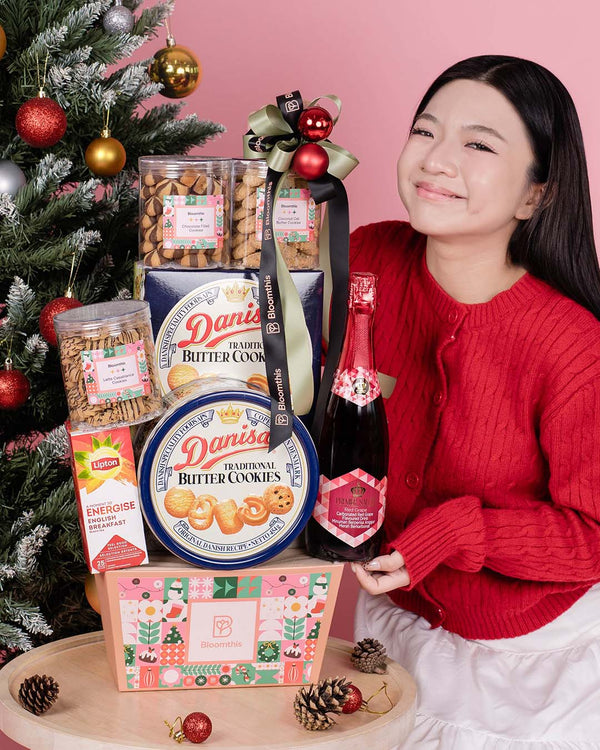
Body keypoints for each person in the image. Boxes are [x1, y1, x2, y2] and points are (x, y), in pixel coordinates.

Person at [349, 55, 600, 749]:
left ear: (535, 196)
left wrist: (458, 534)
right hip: (391, 632)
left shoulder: (573, 346)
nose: (436, 160)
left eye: (479, 145)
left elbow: (593, 534)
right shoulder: (368, 258)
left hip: (530, 667)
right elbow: (305, 391)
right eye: (425, 131)